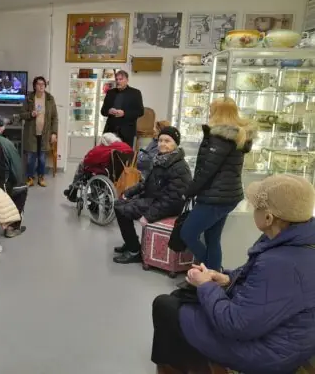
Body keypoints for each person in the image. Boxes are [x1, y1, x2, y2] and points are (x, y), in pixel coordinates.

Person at [151, 174, 315, 374]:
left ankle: (178, 367)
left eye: (256, 207)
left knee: (165, 305)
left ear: (268, 218)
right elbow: (261, 282)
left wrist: (206, 285)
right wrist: (227, 278)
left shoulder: (280, 263)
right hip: (284, 337)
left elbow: (236, 324)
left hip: (270, 353)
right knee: (183, 297)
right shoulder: (295, 241)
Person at [180, 98, 255, 271]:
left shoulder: (220, 137)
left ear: (218, 112)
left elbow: (206, 171)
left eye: (211, 109)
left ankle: (210, 272)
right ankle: (213, 276)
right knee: (213, 239)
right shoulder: (237, 136)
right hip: (229, 195)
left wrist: (189, 191)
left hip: (214, 196)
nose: (209, 113)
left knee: (188, 233)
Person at [113, 126, 191, 264]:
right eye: (160, 140)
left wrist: (149, 216)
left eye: (167, 141)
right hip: (153, 199)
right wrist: (128, 193)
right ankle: (130, 242)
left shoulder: (180, 167)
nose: (162, 144)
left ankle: (134, 250)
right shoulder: (160, 159)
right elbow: (145, 183)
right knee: (119, 203)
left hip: (167, 205)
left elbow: (172, 199)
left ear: (176, 144)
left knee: (123, 211)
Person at [63, 133, 133, 202]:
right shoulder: (126, 147)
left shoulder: (101, 149)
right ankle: (73, 190)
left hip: (107, 175)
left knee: (82, 165)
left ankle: (73, 190)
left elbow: (87, 160)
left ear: (103, 141)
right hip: (123, 175)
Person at [20, 76, 59, 187]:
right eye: (39, 84)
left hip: (45, 134)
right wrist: (30, 114)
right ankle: (30, 178)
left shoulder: (50, 98)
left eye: (43, 84)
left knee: (42, 158)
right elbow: (21, 114)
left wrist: (54, 133)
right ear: (35, 86)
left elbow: (55, 117)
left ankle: (41, 177)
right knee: (31, 158)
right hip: (31, 134)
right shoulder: (29, 98)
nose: (41, 86)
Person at [100, 70, 144, 147]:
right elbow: (103, 111)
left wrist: (124, 113)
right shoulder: (110, 92)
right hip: (110, 130)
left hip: (127, 132)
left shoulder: (135, 93)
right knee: (107, 153)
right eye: (117, 79)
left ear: (127, 80)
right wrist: (109, 111)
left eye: (120, 79)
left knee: (125, 153)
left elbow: (140, 112)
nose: (118, 81)